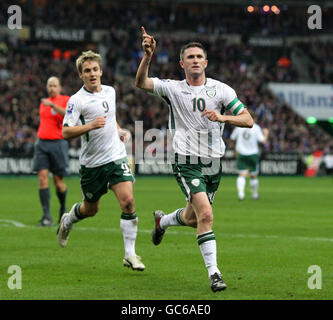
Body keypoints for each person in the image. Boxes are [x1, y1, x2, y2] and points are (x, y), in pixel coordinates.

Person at [135, 27, 253, 291]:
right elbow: (141, 83)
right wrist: (148, 56)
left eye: (199, 56)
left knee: (193, 218)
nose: (195, 60)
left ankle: (162, 221)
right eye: (190, 57)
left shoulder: (221, 90)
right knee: (207, 215)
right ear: (182, 63)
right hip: (186, 159)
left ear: (206, 62)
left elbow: (248, 119)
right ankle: (215, 274)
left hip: (214, 162)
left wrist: (224, 117)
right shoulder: (173, 89)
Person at [57, 50, 145, 272]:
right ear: (81, 75)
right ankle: (68, 221)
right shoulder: (76, 101)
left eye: (95, 69)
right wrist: (89, 126)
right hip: (92, 165)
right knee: (90, 209)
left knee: (128, 203)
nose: (92, 73)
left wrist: (119, 130)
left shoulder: (110, 91)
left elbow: (110, 119)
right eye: (87, 71)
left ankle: (130, 254)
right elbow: (66, 132)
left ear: (101, 71)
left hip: (115, 157)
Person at [33, 76, 69, 227]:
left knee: (58, 182)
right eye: (50, 85)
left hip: (58, 143)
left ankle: (62, 209)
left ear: (60, 87)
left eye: (54, 85)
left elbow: (68, 114)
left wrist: (53, 106)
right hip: (41, 143)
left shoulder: (65, 100)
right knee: (42, 178)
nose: (52, 88)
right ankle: (46, 216)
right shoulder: (44, 103)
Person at [230, 112, 269, 200]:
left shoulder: (239, 126)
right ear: (254, 118)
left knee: (241, 175)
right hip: (253, 154)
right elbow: (263, 141)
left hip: (241, 154)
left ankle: (241, 194)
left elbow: (232, 139)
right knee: (253, 175)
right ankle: (254, 195)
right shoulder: (256, 127)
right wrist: (266, 133)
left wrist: (234, 150)